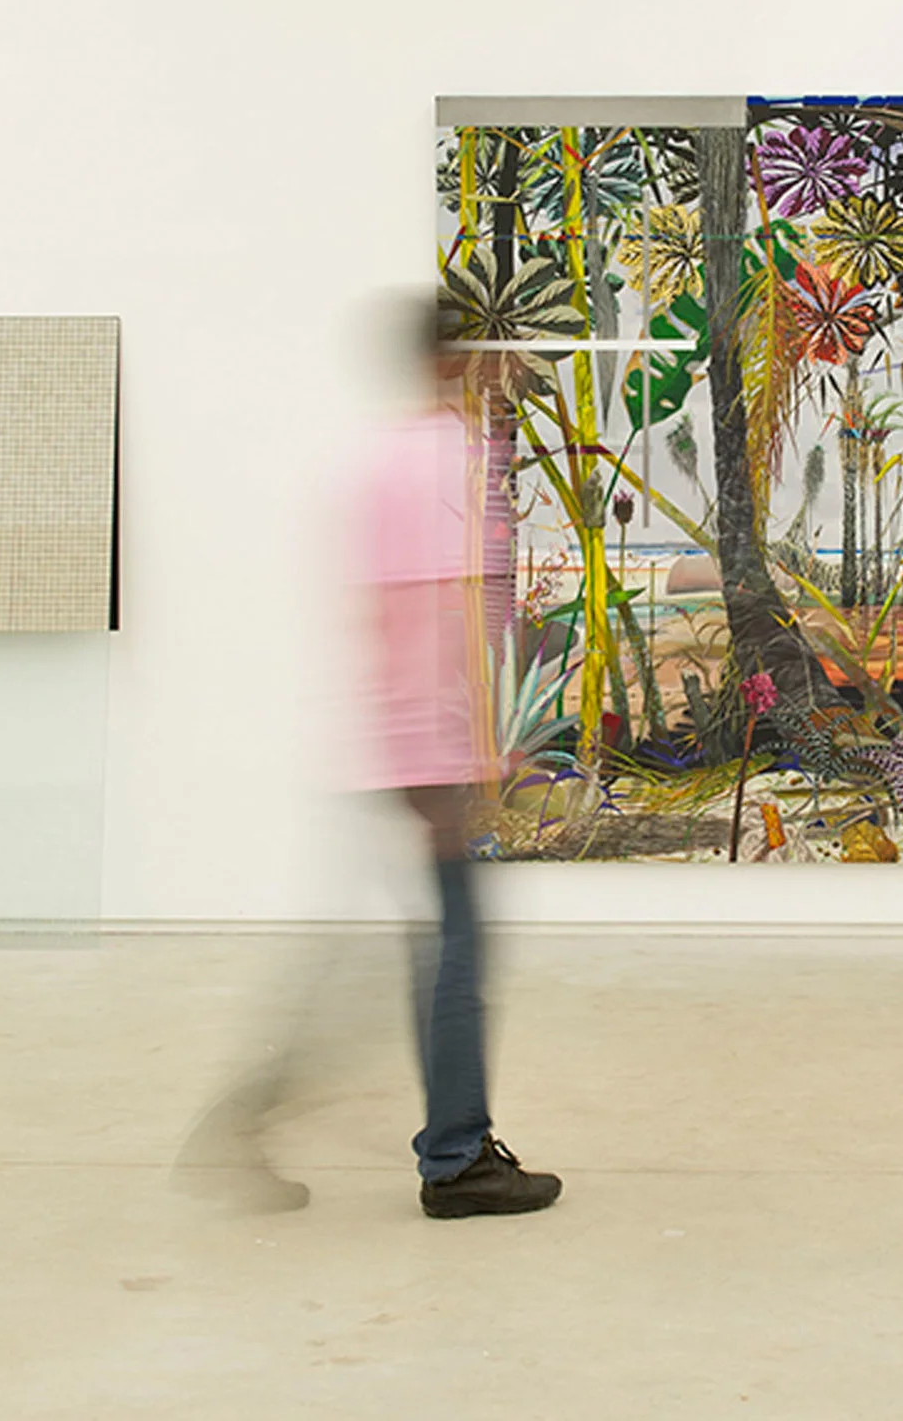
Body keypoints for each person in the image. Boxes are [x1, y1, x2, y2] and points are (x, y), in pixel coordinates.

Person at [353, 299, 562, 1220]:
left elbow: (380, 614)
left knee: (442, 943)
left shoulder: (382, 456)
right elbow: (445, 609)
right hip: (429, 745)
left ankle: (453, 1145)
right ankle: (456, 1158)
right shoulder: (445, 455)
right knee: (459, 951)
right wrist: (471, 744)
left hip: (398, 740)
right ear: (452, 360)